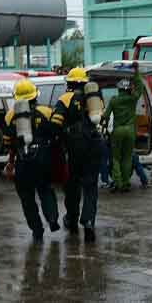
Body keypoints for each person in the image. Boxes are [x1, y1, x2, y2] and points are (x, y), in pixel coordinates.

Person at [3, 79, 62, 242]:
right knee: (45, 190)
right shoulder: (46, 112)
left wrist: (11, 161)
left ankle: (37, 230)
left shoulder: (11, 115)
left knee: (27, 198)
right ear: (35, 96)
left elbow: (8, 142)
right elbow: (55, 134)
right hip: (43, 159)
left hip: (23, 162)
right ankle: (52, 219)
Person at [54, 67, 103, 242]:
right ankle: (88, 221)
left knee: (73, 186)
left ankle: (72, 220)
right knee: (91, 187)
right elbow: (100, 117)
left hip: (75, 147)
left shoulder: (64, 99)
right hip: (94, 144)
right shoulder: (94, 97)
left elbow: (56, 123)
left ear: (69, 83)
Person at [102, 67, 144, 193]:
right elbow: (140, 87)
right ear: (128, 89)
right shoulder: (133, 99)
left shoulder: (114, 100)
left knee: (115, 158)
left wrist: (102, 126)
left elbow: (106, 116)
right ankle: (126, 184)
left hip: (118, 131)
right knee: (127, 158)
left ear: (119, 89)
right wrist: (136, 73)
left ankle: (118, 183)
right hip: (130, 132)